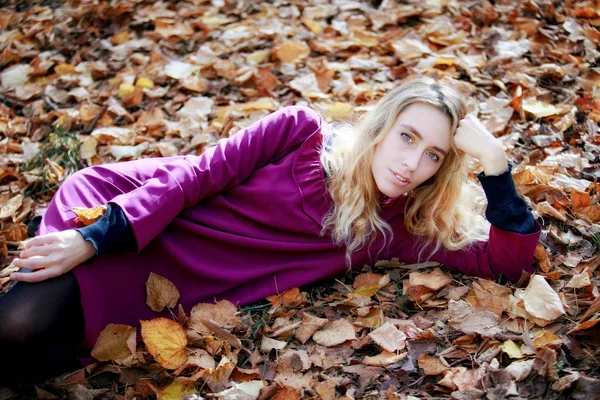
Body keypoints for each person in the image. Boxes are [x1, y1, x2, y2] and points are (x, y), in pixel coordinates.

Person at [0, 76, 540, 384]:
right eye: (406, 136)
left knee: (33, 358)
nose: (410, 163)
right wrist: (94, 237)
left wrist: (496, 167)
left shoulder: (390, 229)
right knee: (17, 324)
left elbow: (504, 263)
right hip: (137, 217)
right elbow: (196, 176)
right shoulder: (300, 131)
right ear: (381, 126)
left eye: (432, 155)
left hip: (162, 288)